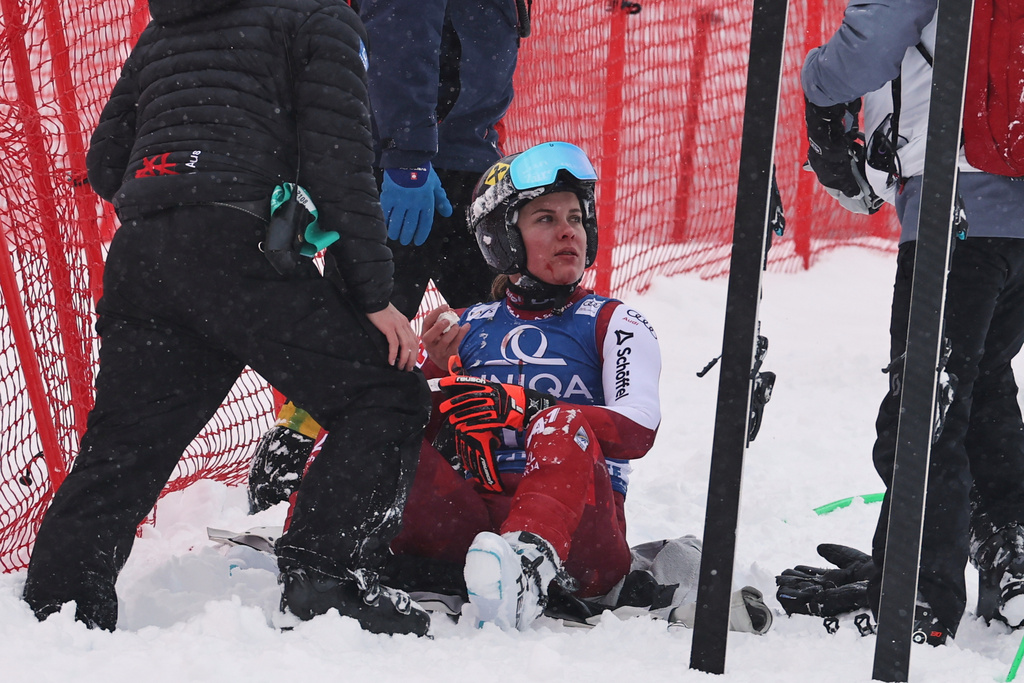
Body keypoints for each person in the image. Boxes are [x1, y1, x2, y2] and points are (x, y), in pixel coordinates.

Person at [21, 0, 432, 637]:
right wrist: (373, 298)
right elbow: (342, 166)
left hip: (142, 254)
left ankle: (58, 610)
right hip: (236, 246)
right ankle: (327, 579)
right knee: (387, 394)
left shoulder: (168, 25)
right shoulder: (320, 18)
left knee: (126, 442)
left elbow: (107, 163)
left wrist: (185, 165)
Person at [780, 0, 1024, 645]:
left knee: (925, 406)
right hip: (1016, 214)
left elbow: (870, 45)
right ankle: (1013, 556)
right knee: (981, 386)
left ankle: (917, 594)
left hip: (957, 201)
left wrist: (816, 85)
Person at [246, 0, 529, 513]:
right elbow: (401, 38)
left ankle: (491, 474)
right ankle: (291, 475)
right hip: (411, 166)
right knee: (369, 324)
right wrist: (407, 156)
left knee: (502, 324)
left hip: (467, 162)